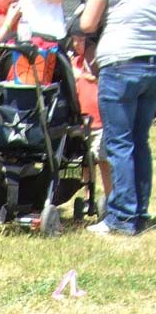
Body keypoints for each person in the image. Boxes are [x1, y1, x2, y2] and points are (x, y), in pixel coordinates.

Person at [80, 0, 156, 236]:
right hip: (151, 63)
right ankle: (140, 213)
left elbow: (88, 23)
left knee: (119, 142)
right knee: (140, 140)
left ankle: (122, 218)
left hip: (120, 63)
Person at [67, 28, 112, 206]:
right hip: (82, 122)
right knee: (86, 162)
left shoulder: (95, 62)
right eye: (74, 40)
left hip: (99, 120)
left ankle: (110, 197)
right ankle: (88, 198)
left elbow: (99, 79)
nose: (76, 44)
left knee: (103, 160)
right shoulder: (73, 63)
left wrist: (86, 76)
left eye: (80, 40)